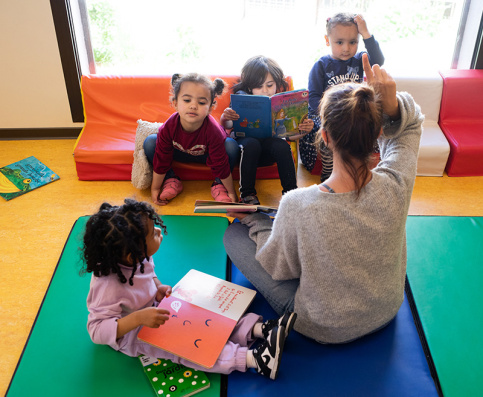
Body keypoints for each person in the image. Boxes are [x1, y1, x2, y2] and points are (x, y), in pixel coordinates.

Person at [223, 54, 424, 344]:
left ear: (325, 138)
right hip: (386, 310)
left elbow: (281, 268)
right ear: (379, 133)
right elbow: (412, 124)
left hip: (323, 326)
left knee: (233, 235)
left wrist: (256, 222)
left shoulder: (297, 204)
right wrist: (392, 104)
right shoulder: (397, 183)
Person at [81, 198, 297, 380]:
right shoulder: (107, 285)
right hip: (133, 333)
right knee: (187, 347)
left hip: (154, 309)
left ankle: (260, 329)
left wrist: (157, 286)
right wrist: (138, 318)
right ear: (132, 254)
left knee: (203, 316)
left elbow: (148, 274)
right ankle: (255, 360)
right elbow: (96, 330)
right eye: (153, 234)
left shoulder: (136, 256)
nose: (159, 230)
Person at [300, 13, 385, 182]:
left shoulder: (360, 59)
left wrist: (366, 33)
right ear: (327, 40)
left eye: (352, 42)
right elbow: (314, 97)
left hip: (354, 112)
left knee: (368, 129)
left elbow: (378, 61)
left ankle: (358, 169)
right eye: (339, 42)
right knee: (327, 134)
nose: (346, 48)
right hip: (327, 115)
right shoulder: (321, 65)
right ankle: (328, 173)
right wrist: (327, 114)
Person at [220, 56, 314, 205]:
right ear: (250, 87)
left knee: (282, 145)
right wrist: (226, 116)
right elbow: (226, 125)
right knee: (251, 144)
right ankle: (247, 194)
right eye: (259, 87)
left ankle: (291, 194)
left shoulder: (280, 102)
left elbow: (292, 137)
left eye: (270, 85)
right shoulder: (242, 98)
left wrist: (304, 130)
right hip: (245, 151)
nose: (265, 91)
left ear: (277, 83)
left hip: (267, 151)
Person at [143, 73, 239, 205]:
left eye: (201, 102)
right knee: (150, 142)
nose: (193, 106)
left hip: (207, 156)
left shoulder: (213, 131)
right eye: (187, 100)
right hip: (179, 153)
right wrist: (155, 189)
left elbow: (220, 164)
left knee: (231, 146)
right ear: (175, 103)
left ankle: (218, 184)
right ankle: (171, 179)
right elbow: (161, 159)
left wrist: (231, 192)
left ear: (210, 108)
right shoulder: (169, 127)